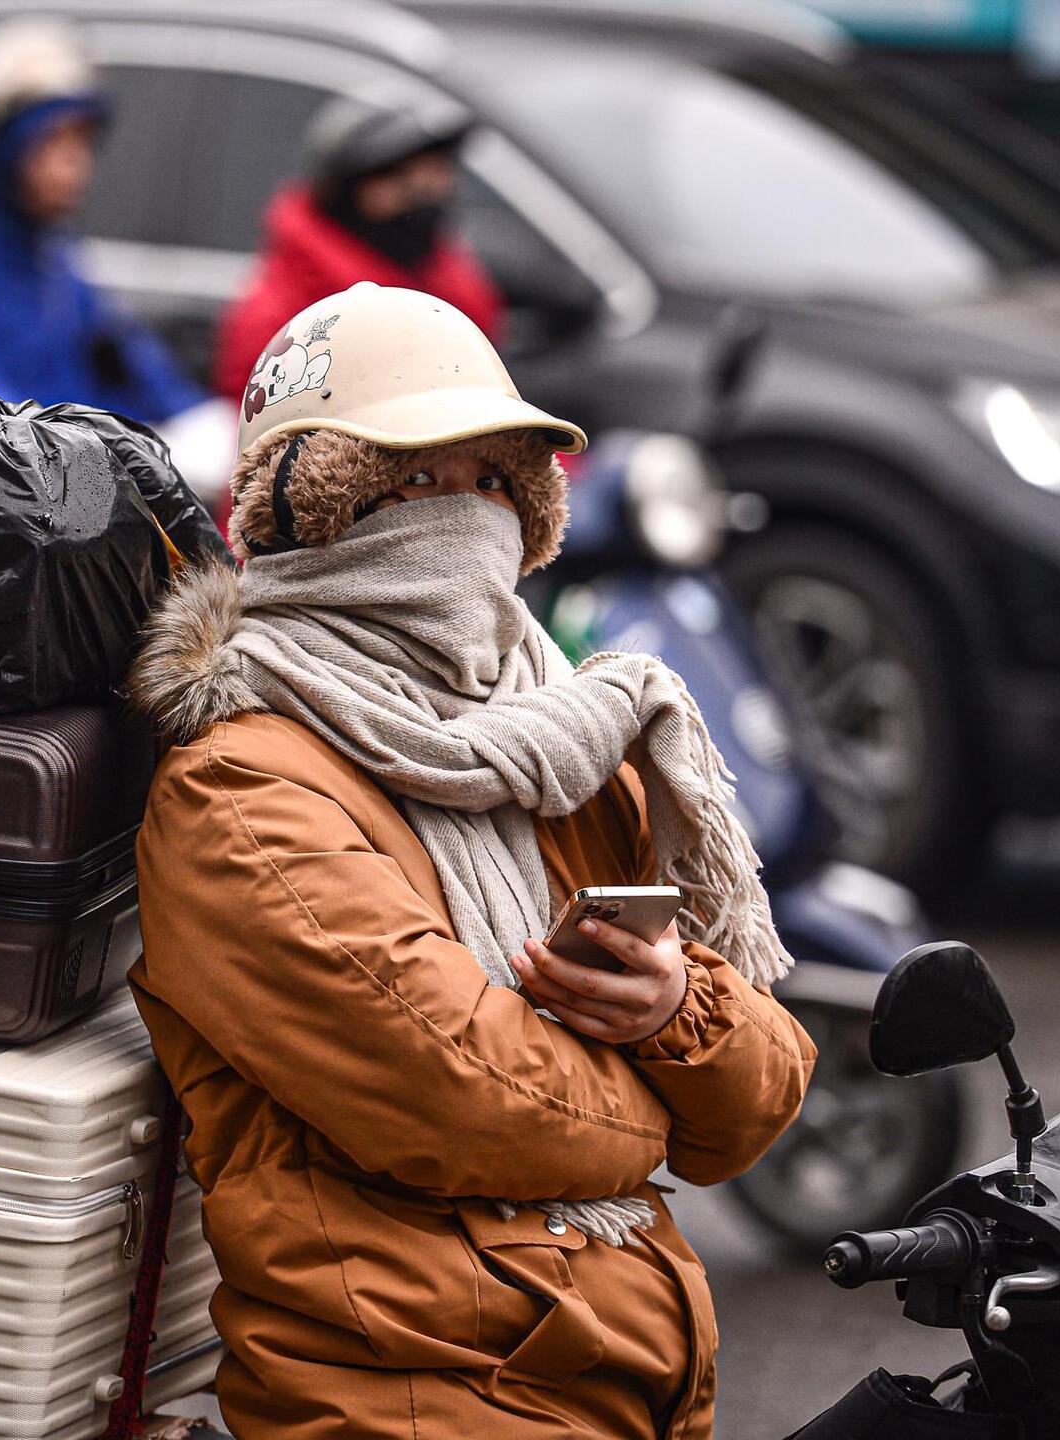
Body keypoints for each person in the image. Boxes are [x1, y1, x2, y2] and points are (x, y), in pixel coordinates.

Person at [128, 282, 815, 1440]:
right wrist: (659, 1084)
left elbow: (758, 1098)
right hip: (415, 1391)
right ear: (313, 508)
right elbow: (473, 1099)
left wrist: (670, 1010)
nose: (464, 515)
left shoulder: (565, 733)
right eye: (411, 481)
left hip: (624, 1378)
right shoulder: (239, 789)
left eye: (495, 480)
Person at [0, 20, 201, 423]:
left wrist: (192, 420)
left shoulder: (52, 256)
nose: (77, 163)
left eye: (82, 140)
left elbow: (125, 361)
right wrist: (100, 446)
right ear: (3, 151)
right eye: (53, 140)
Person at [211, 93, 503, 405]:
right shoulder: (283, 323)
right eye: (400, 179)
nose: (423, 194)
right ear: (346, 191)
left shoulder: (452, 286)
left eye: (436, 175)